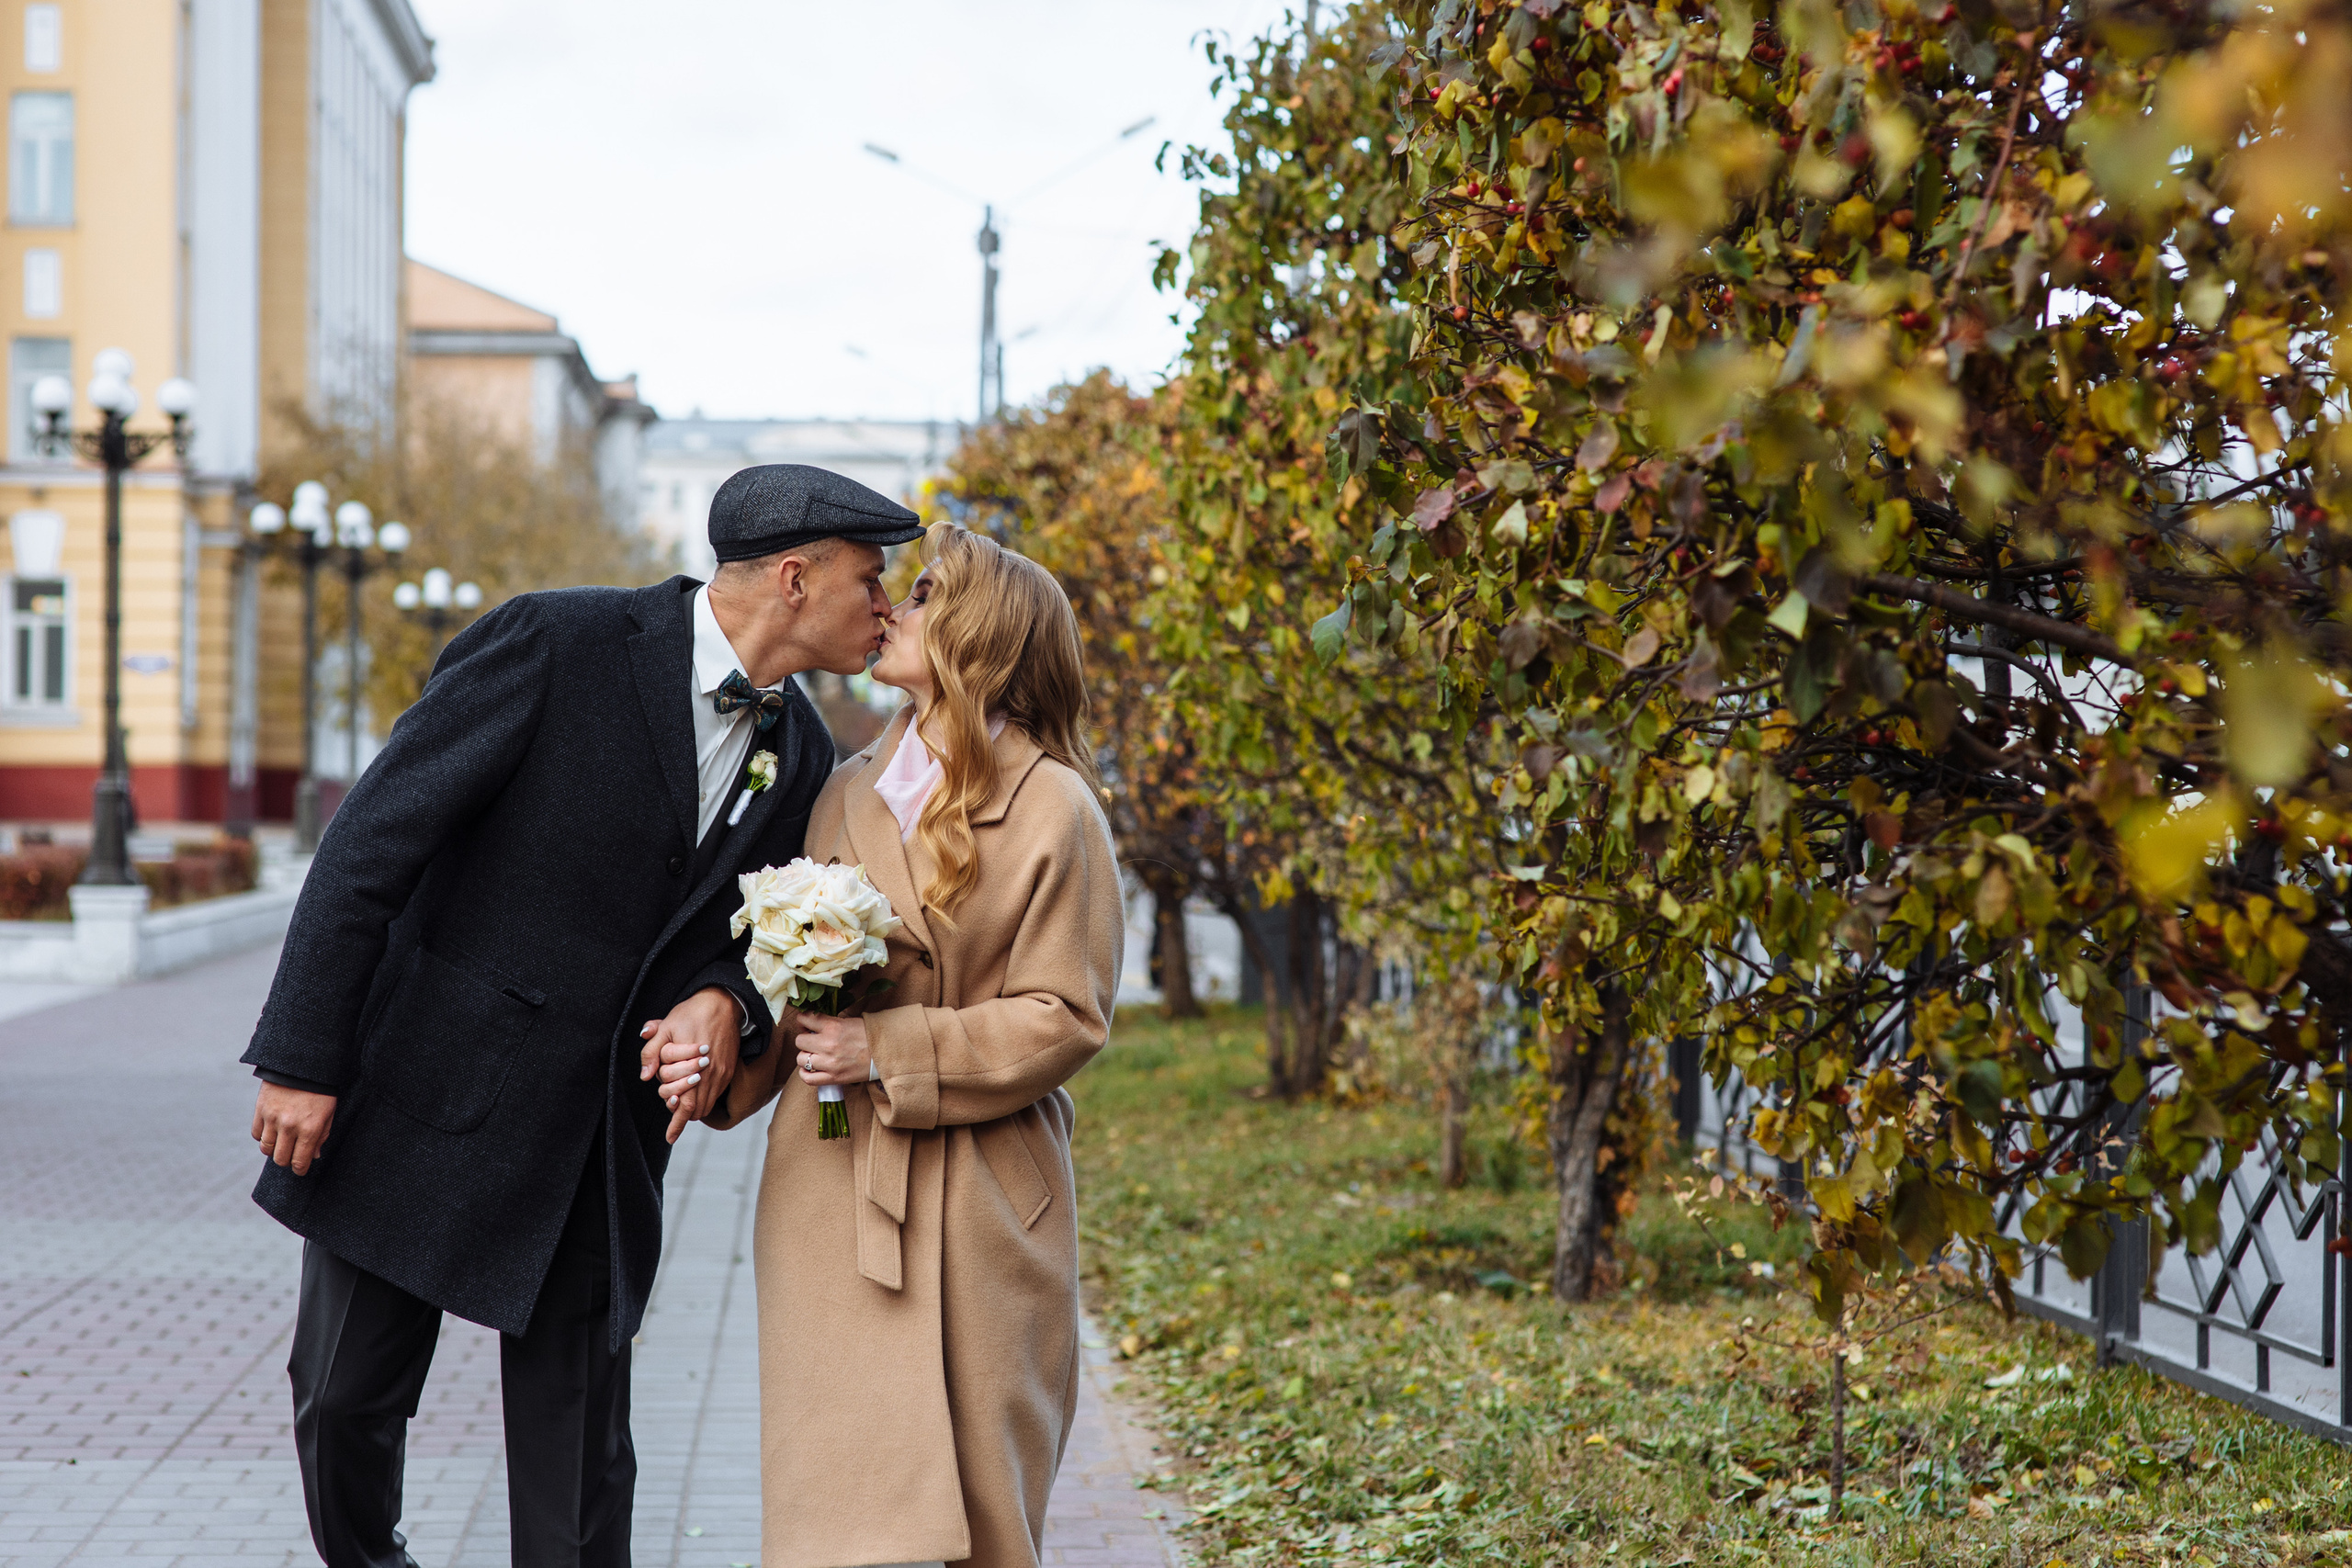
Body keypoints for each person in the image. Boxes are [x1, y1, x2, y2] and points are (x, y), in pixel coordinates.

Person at [240, 465, 924, 1568]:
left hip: (598, 1139)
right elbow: (370, 843)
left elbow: (757, 934)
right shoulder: (556, 643)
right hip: (428, 1091)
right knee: (342, 1399)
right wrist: (299, 1058)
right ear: (794, 578)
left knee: (582, 1453)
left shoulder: (797, 751)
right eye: (869, 577)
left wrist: (724, 998)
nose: (885, 604)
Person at [674, 523, 1123, 1568]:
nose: (890, 611)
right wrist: (724, 1056)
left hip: (978, 1205)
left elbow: (1067, 1015)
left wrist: (888, 1051)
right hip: (832, 1195)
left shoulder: (1056, 809)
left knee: (980, 1518)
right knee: (836, 1516)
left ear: (979, 634)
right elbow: (790, 980)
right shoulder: (841, 787)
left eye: (919, 597)